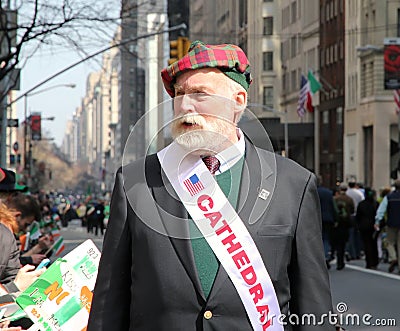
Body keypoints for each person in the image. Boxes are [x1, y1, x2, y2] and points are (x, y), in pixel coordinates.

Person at [88, 41, 333, 330]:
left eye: (199, 94)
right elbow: (109, 300)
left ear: (238, 101)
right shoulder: (135, 181)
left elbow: (313, 305)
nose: (184, 105)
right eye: (179, 94)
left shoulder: (293, 183)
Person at [375, 179, 400, 273]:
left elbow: (381, 210)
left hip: (391, 223)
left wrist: (377, 220)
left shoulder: (389, 197)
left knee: (389, 242)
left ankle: (393, 257)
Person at [356, 188, 379, 269]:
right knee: (374, 243)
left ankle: (369, 262)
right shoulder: (375, 204)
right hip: (373, 226)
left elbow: (358, 216)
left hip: (364, 226)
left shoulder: (361, 204)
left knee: (367, 244)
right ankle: (375, 261)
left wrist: (358, 225)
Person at [333, 184, 354, 270]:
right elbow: (352, 210)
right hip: (346, 223)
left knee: (338, 243)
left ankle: (339, 261)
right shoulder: (349, 199)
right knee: (344, 242)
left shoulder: (335, 199)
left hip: (337, 223)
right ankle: (343, 259)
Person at [317, 176, 336, 269]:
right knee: (326, 238)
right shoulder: (328, 193)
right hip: (328, 218)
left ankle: (319, 257)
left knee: (317, 239)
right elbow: (333, 206)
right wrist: (335, 218)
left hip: (315, 218)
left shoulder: (311, 191)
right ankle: (326, 255)